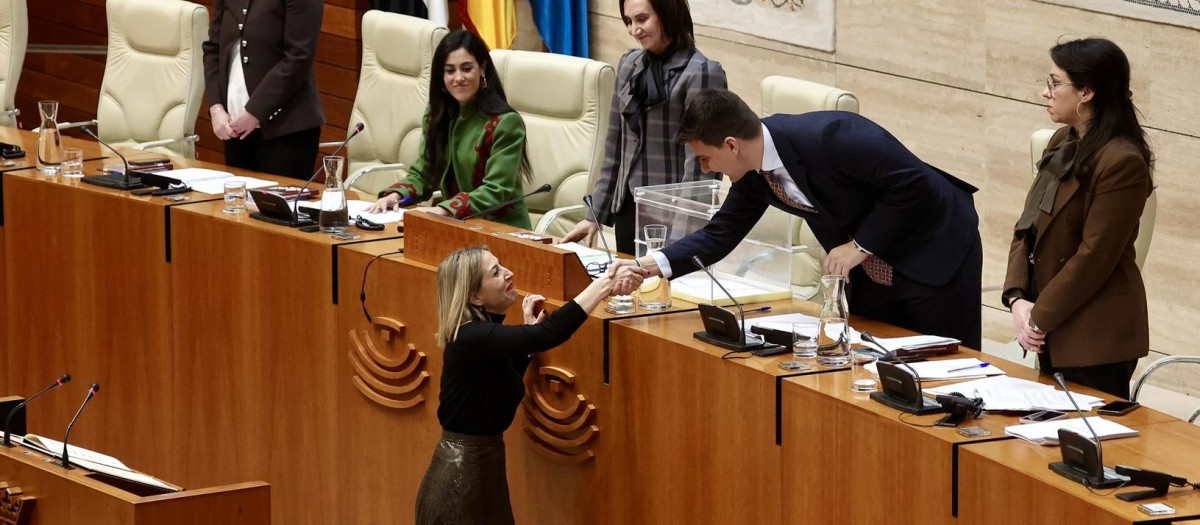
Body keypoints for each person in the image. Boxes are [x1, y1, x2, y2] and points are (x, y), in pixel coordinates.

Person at [608, 88, 983, 349]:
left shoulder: (831, 135)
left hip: (937, 250)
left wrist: (859, 245)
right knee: (877, 363)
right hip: (870, 271)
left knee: (944, 369)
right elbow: (719, 235)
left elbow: (912, 183)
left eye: (705, 158)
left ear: (731, 146)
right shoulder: (754, 175)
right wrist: (646, 267)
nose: (707, 170)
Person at [414, 246, 646, 524]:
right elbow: (549, 333)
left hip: (479, 467)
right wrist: (603, 284)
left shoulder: (479, 337)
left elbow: (500, 387)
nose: (508, 273)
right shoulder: (472, 336)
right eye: (496, 272)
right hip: (461, 479)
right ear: (474, 296)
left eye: (501, 265)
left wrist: (526, 337)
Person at [1002, 38, 1153, 399]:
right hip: (1049, 322)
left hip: (1095, 335)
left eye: (1055, 83)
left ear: (1087, 92)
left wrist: (1039, 318)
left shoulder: (1122, 161)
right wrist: (1018, 299)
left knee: (1085, 446)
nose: (1045, 91)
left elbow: (1094, 257)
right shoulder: (1060, 141)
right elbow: (1028, 226)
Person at [558, 0, 727, 254]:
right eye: (628, 21)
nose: (634, 30)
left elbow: (701, 168)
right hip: (628, 209)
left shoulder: (702, 72)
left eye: (642, 19)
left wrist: (684, 239)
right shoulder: (629, 64)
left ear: (667, 14)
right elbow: (615, 146)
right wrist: (594, 214)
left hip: (671, 216)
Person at [366, 30, 533, 229]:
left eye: (467, 68)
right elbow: (424, 174)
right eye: (450, 70)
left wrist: (444, 210)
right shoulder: (437, 115)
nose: (458, 77)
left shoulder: (505, 123)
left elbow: (496, 191)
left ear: (482, 69)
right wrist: (395, 196)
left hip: (502, 231)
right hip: (455, 227)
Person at [202, 0, 325, 179]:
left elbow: (299, 57)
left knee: (279, 206)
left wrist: (255, 111)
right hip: (235, 129)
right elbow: (213, 49)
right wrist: (216, 107)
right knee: (238, 204)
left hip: (286, 130)